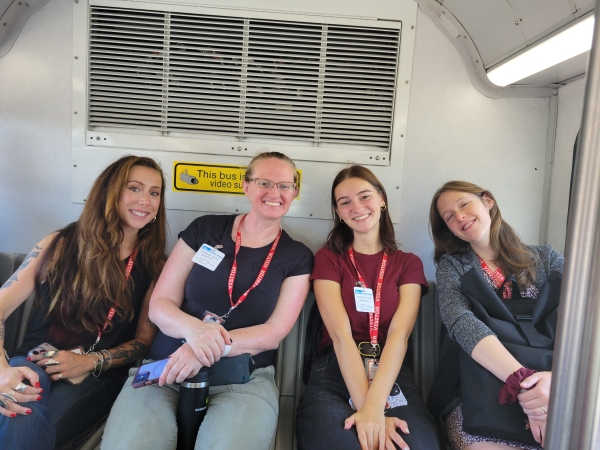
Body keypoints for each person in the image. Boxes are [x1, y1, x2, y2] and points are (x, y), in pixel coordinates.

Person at [101, 151, 313, 450]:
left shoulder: (297, 256)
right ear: (246, 186)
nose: (274, 193)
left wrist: (202, 351)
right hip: (165, 368)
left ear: (294, 192)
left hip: (241, 380)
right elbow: (160, 304)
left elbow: (274, 333)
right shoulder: (205, 229)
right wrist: (196, 334)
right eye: (264, 182)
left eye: (284, 185)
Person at [0, 155, 167, 449]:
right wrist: (2, 372)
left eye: (154, 193)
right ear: (110, 193)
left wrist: (87, 361)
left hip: (96, 374)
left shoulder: (155, 265)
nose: (146, 200)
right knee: (24, 408)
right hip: (33, 361)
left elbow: (143, 342)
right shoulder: (60, 243)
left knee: (25, 419)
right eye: (135, 188)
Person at [296, 165, 439, 450]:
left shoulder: (408, 263)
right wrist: (370, 411)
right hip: (335, 368)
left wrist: (375, 408)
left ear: (382, 199)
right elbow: (340, 335)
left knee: (417, 445)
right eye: (344, 202)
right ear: (338, 212)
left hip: (390, 370)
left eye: (365, 196)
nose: (356, 207)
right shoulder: (328, 258)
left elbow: (399, 335)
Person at [428, 181, 564, 450]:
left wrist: (558, 381)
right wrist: (526, 387)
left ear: (487, 201)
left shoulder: (546, 258)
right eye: (449, 217)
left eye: (464, 204)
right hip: (479, 391)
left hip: (555, 384)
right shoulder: (452, 267)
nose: (460, 216)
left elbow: (584, 320)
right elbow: (462, 324)